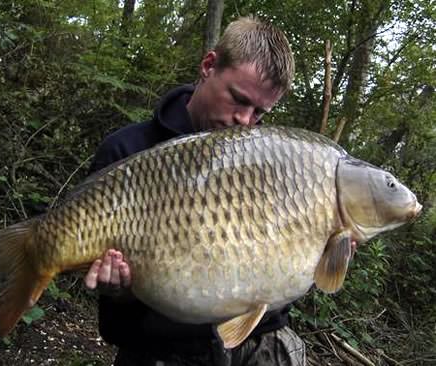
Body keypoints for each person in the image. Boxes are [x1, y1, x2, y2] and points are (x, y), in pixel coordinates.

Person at [84, 16, 305, 366]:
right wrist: (122, 294)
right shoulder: (127, 151)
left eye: (259, 113)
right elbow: (116, 329)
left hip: (254, 345)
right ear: (208, 65)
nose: (244, 121)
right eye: (238, 99)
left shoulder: (268, 166)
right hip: (160, 353)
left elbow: (280, 293)